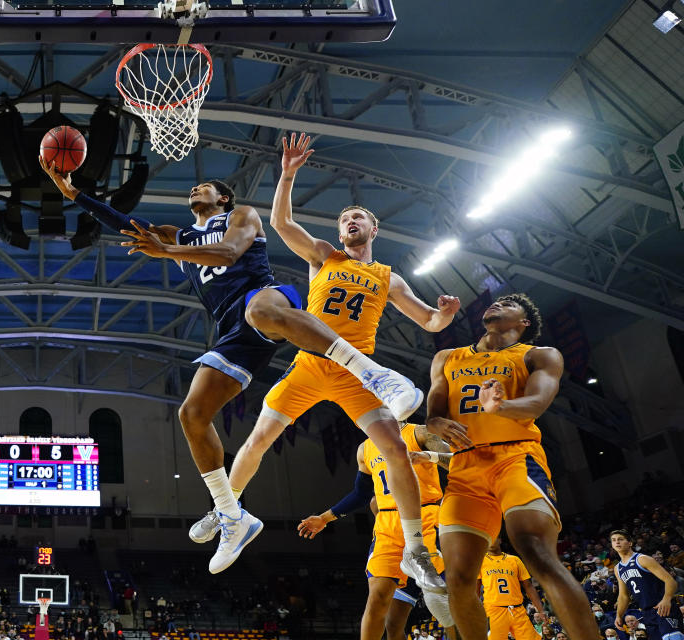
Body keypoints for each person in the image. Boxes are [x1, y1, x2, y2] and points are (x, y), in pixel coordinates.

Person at [42, 148, 427, 575]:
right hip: (231, 332)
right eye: (193, 188)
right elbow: (126, 224)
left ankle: (376, 375)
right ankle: (232, 516)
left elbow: (227, 255)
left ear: (222, 199)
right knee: (192, 415)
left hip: (267, 299)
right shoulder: (182, 235)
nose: (194, 189)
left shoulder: (241, 216)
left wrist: (166, 253)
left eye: (203, 186)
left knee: (260, 310)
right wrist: (74, 192)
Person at [188, 132, 462, 579]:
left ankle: (416, 549)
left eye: (359, 217)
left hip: (360, 378)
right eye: (346, 218)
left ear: (374, 230)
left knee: (395, 448)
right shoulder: (324, 256)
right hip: (312, 366)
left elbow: (429, 323)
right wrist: (287, 175)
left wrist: (444, 313)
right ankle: (227, 513)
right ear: (339, 232)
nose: (351, 221)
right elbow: (280, 223)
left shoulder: (389, 279)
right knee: (258, 439)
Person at [427, 293, 599, 640]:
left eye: (509, 303)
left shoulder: (539, 355)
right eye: (497, 301)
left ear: (524, 323)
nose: (498, 303)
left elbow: (536, 403)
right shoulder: (446, 357)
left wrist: (499, 407)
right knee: (458, 579)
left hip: (515, 457)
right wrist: (434, 424)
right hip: (464, 468)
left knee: (533, 548)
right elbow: (435, 409)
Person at [296, 423, 457, 640]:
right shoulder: (365, 448)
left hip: (425, 517)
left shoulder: (418, 432)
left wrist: (428, 456)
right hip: (387, 524)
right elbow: (361, 494)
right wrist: (325, 517)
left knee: (443, 596)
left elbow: (460, 461)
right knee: (378, 597)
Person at [611, 529, 684, 640]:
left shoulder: (642, 559)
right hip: (647, 613)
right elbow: (623, 596)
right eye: (614, 540)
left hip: (663, 608)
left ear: (630, 543)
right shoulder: (618, 568)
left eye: (620, 539)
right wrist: (619, 615)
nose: (617, 542)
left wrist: (666, 599)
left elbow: (670, 581)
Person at [479, 536, 545, 640]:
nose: (490, 541)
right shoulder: (480, 561)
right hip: (494, 611)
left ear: (500, 539)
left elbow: (528, 586)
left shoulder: (514, 560)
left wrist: (541, 610)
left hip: (517, 609)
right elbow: (475, 591)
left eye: (493, 537)